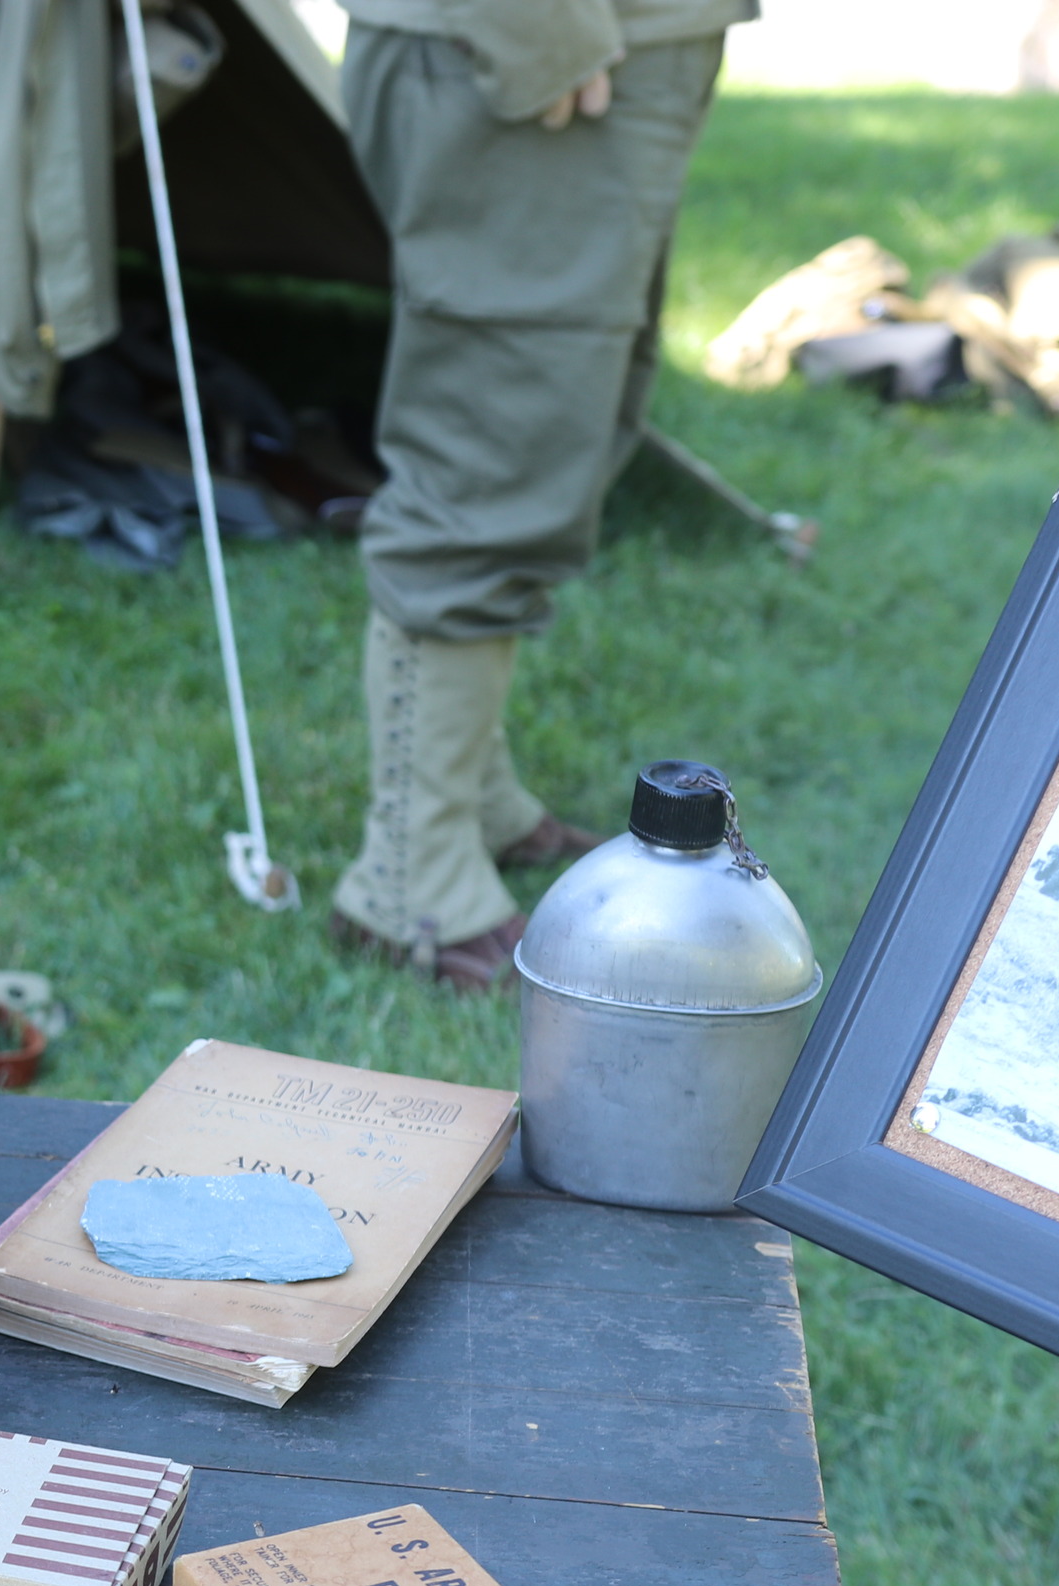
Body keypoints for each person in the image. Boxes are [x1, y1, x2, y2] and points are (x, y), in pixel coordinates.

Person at [325, 0, 754, 992]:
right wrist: (537, 27)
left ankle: (472, 797)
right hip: (537, 49)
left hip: (627, 43)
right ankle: (407, 877)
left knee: (552, 429)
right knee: (491, 449)